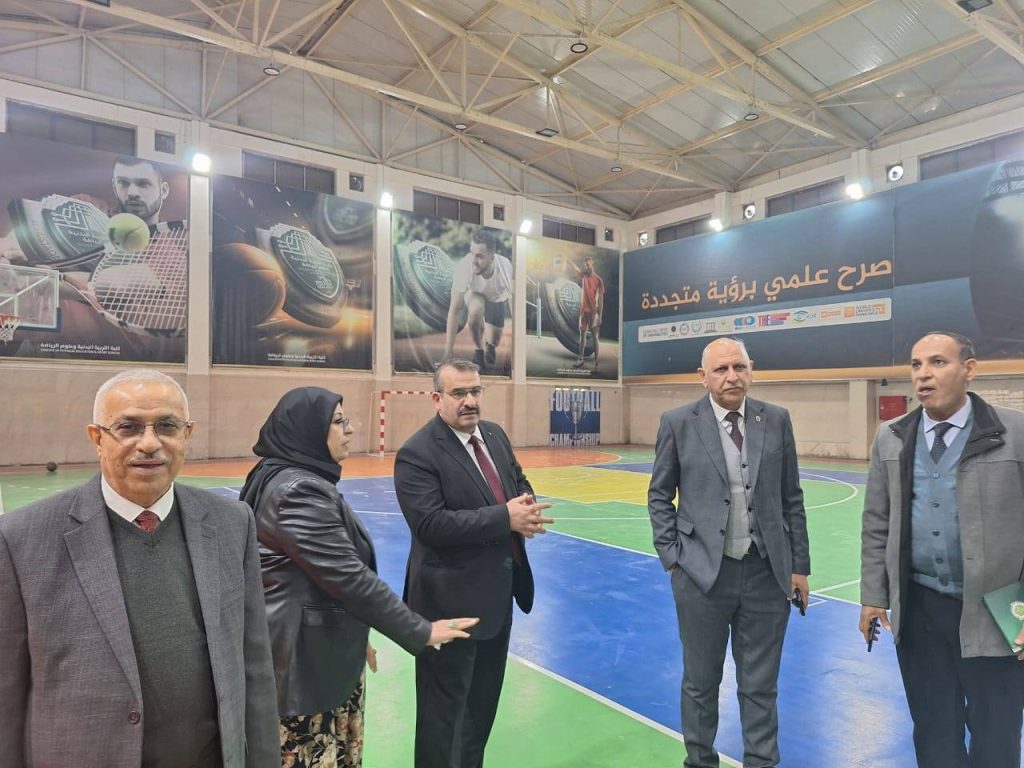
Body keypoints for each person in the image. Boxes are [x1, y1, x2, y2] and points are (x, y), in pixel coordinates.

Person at [0, 369, 279, 767]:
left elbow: (254, 668)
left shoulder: (232, 523)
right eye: (127, 427)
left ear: (187, 434)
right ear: (97, 438)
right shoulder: (21, 537)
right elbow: (7, 692)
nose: (149, 443)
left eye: (167, 426)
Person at [239, 386, 479, 768]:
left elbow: (318, 576)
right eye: (338, 422)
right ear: (308, 431)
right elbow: (349, 577)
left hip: (311, 651)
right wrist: (420, 630)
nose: (349, 429)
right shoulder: (298, 491)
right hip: (303, 670)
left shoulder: (286, 476)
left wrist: (355, 632)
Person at [859, 331, 1024, 767]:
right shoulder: (891, 436)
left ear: (969, 370)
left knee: (997, 730)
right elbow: (876, 521)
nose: (923, 375)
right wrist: (874, 595)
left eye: (937, 362)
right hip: (920, 610)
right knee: (933, 728)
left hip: (996, 613)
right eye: (916, 365)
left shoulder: (1016, 432)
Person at [647, 337, 810, 768]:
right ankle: (700, 761)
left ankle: (761, 762)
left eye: (739, 367)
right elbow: (659, 495)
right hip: (701, 575)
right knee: (700, 683)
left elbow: (791, 497)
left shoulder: (776, 419)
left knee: (761, 685)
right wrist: (673, 557)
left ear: (751, 368)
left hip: (766, 574)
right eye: (720, 370)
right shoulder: (678, 423)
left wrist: (798, 567)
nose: (732, 376)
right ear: (703, 377)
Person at [394, 358, 554, 768]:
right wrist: (505, 518)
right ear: (436, 399)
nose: (470, 401)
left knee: (479, 716)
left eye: (475, 391)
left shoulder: (495, 436)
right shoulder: (417, 453)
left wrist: (527, 507)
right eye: (459, 393)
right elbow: (430, 525)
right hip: (448, 608)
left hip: (497, 601)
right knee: (443, 721)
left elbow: (518, 481)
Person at [442, 229, 513, 371]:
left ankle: (490, 345)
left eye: (479, 256)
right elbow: (455, 309)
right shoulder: (463, 267)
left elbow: (516, 310)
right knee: (475, 310)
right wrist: (448, 351)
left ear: (491, 258)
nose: (474, 260)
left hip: (497, 299)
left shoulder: (505, 267)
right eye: (472, 253)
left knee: (495, 340)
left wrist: (513, 354)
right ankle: (479, 351)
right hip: (476, 294)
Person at [568, 256, 604, 369]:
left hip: (593, 313)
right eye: (585, 265)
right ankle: (581, 358)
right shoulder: (583, 275)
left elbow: (601, 300)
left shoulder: (599, 280)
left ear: (592, 264)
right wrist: (569, 261)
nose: (586, 267)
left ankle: (596, 361)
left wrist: (600, 316)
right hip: (584, 311)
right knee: (582, 334)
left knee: (595, 336)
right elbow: (576, 269)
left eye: (588, 265)